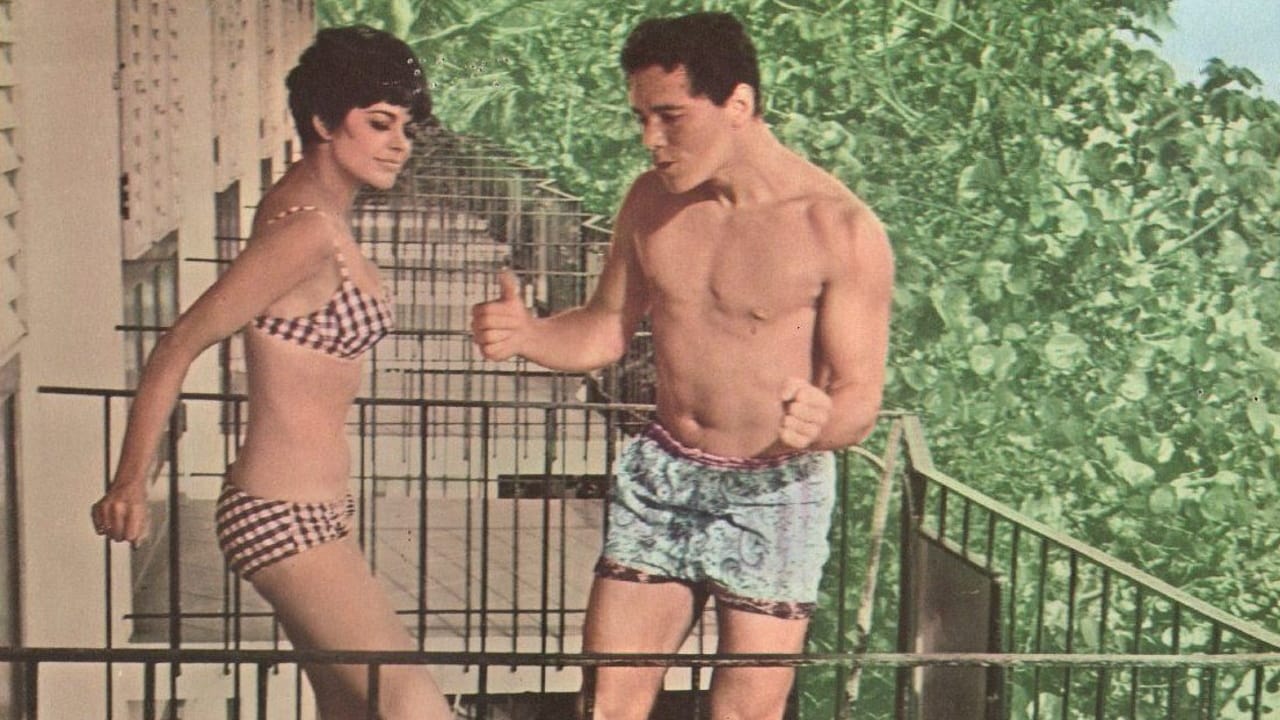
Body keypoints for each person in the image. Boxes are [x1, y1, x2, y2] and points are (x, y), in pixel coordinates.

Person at [471, 11, 893, 720]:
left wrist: (821, 422)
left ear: (739, 104)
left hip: (776, 491)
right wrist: (528, 335)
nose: (650, 139)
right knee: (608, 704)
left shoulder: (840, 229)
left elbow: (859, 400)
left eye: (670, 116)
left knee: (743, 715)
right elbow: (604, 330)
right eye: (641, 118)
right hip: (664, 475)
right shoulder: (650, 203)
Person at [91, 26, 453, 720]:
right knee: (415, 705)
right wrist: (130, 481)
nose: (399, 144)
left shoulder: (309, 209)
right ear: (323, 121)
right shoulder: (306, 230)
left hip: (317, 512)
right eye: (379, 123)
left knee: (351, 710)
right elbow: (178, 342)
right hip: (285, 516)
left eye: (406, 128)